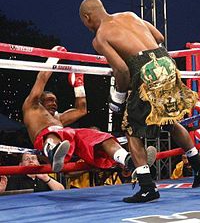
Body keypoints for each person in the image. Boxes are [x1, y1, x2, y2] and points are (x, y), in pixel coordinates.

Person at [79, 0, 200, 203]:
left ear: (87, 18)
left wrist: (118, 98)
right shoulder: (129, 15)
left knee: (131, 128)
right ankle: (199, 167)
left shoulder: (100, 37)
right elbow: (158, 36)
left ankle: (147, 187)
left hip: (145, 71)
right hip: (165, 62)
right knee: (167, 119)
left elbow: (122, 70)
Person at [22, 47, 157, 184]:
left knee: (100, 137)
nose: (54, 103)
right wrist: (54, 56)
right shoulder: (31, 106)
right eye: (50, 100)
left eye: (56, 100)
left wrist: (78, 85)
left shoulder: (58, 118)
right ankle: (53, 150)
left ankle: (130, 161)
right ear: (40, 99)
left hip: (67, 140)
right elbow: (42, 78)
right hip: (47, 140)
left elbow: (81, 110)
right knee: (55, 132)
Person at [0, 153, 64, 193]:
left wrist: (46, 178)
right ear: (20, 164)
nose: (31, 161)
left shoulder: (45, 178)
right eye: (26, 159)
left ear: (38, 163)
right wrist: (2, 191)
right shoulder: (14, 179)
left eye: (33, 158)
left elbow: (62, 192)